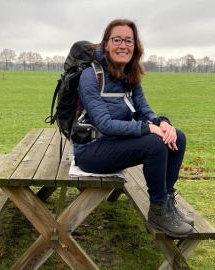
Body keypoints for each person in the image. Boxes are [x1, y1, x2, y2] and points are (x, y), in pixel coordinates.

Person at [73, 19, 193, 238]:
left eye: (128, 40)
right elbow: (105, 125)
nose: (123, 45)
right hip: (90, 151)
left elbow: (145, 112)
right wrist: (149, 130)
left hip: (113, 144)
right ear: (106, 44)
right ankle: (157, 212)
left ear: (135, 46)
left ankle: (167, 203)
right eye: (117, 39)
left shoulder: (131, 74)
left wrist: (162, 123)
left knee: (178, 137)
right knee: (154, 145)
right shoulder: (90, 76)